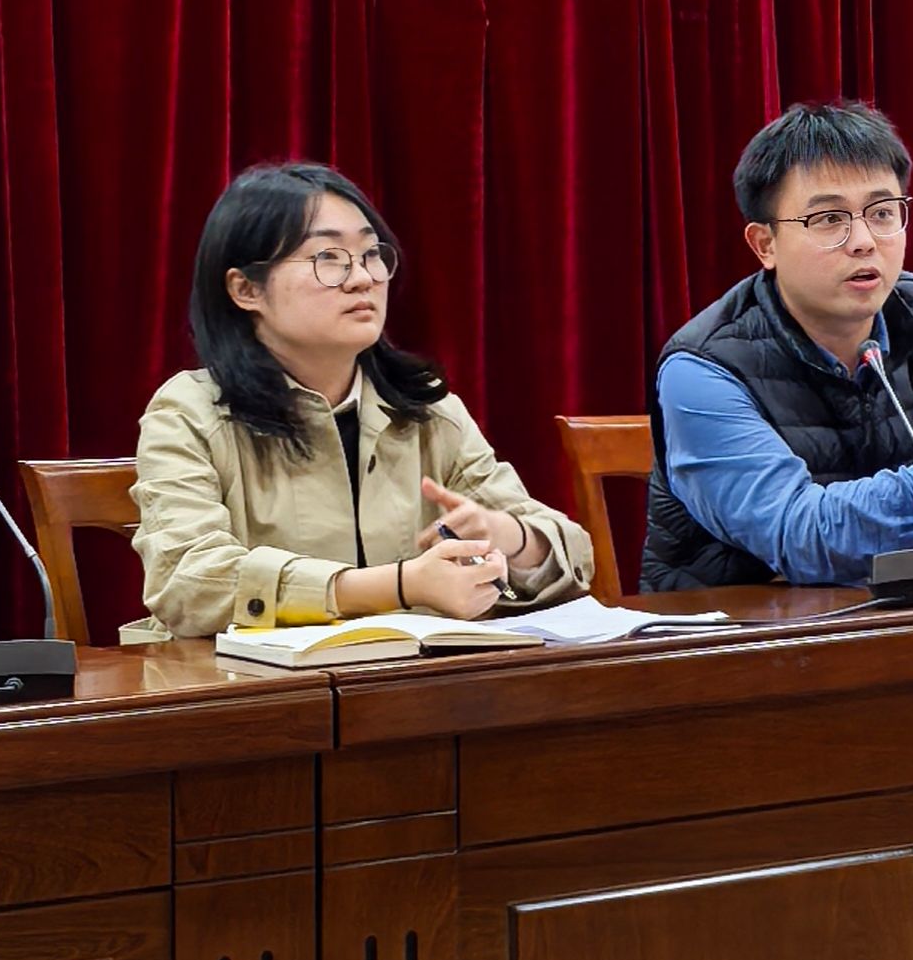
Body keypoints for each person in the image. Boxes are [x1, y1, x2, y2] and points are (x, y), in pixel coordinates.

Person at [128, 162, 593, 638]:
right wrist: (398, 586)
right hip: (247, 680)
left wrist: (507, 536)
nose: (362, 278)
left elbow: (575, 558)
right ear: (247, 289)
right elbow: (188, 581)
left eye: (372, 254)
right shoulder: (190, 411)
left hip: (411, 676)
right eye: (328, 257)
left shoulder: (425, 410)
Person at [641, 101, 913, 591]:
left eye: (882, 213)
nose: (863, 240)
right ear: (764, 244)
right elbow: (802, 540)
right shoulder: (702, 369)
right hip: (742, 629)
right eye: (829, 218)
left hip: (908, 620)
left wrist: (851, 550)